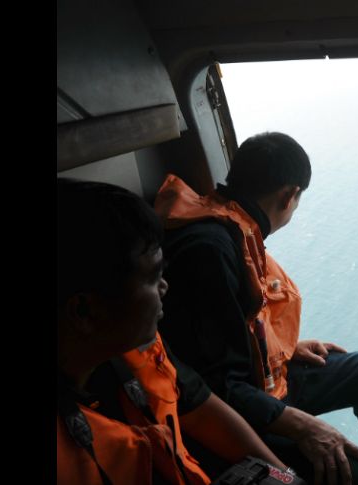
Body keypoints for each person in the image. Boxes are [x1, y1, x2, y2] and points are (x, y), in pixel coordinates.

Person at [154, 132, 358, 485]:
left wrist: (285, 350)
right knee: (356, 474)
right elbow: (217, 384)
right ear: (289, 195)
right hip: (237, 410)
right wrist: (302, 425)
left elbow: (231, 331)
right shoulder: (210, 250)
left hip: (260, 380)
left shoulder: (232, 227)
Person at [57, 178, 290, 484]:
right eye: (153, 278)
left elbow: (202, 410)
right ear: (85, 312)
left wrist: (285, 477)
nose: (165, 287)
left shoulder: (138, 349)